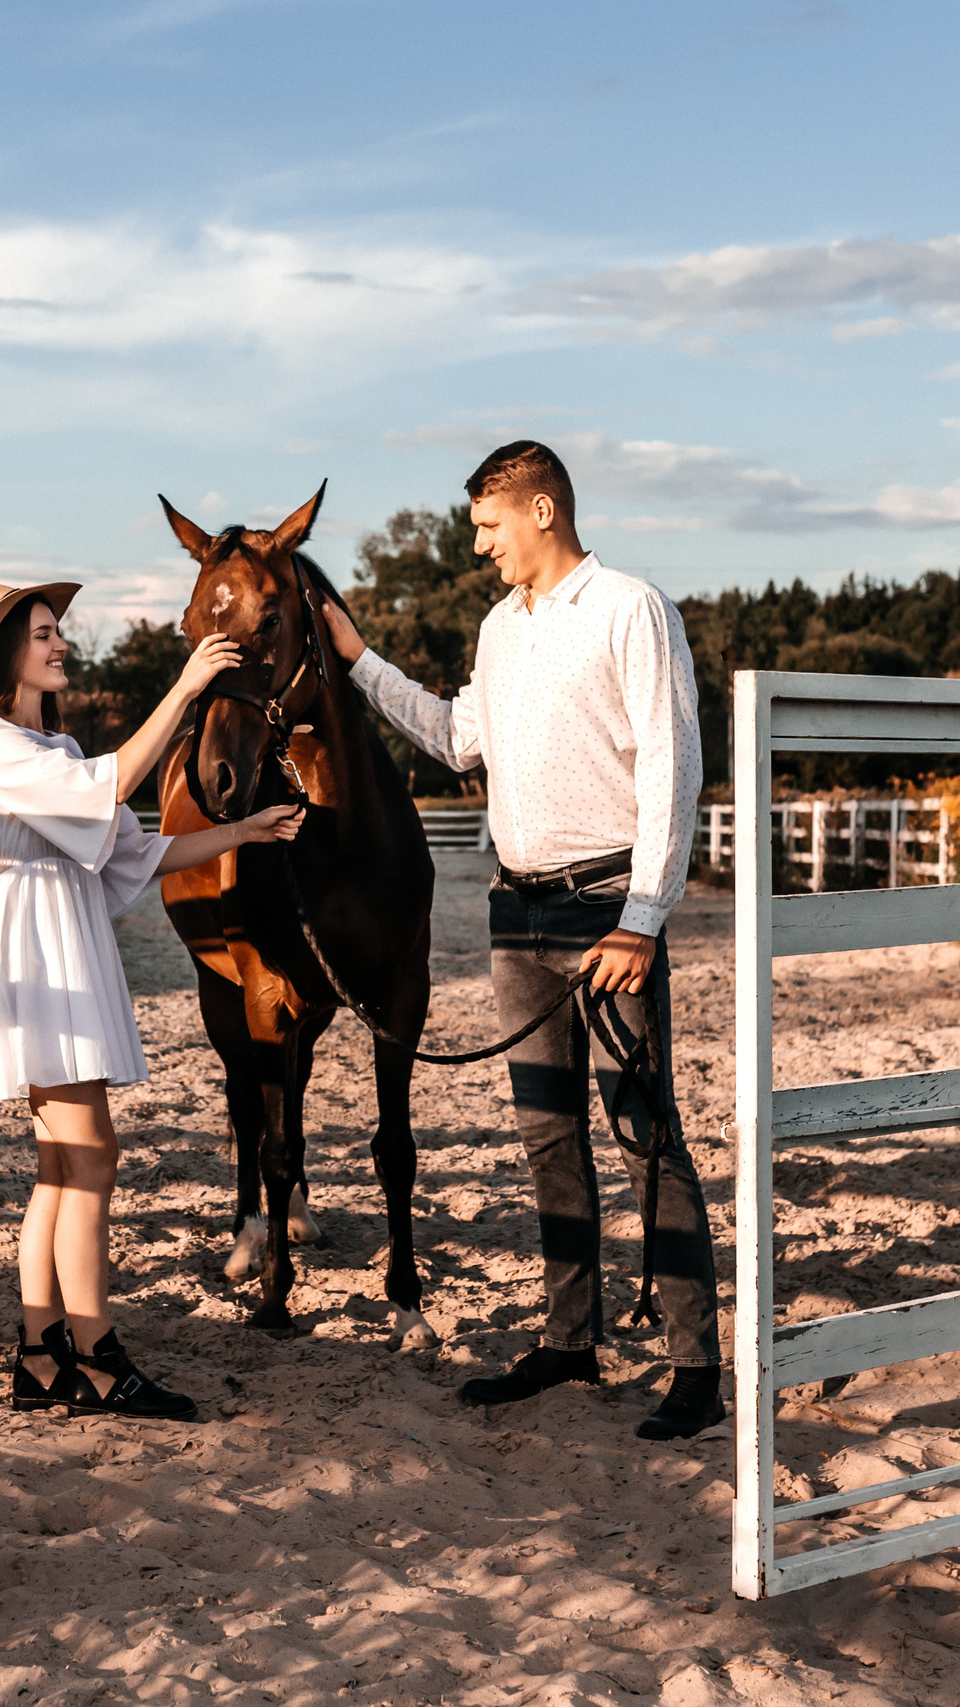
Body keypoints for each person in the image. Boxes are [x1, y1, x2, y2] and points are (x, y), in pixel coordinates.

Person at [317, 441, 724, 1440]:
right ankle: (569, 1339)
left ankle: (694, 1363)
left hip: (604, 912)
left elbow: (674, 764)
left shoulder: (633, 609)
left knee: (642, 1133)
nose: (481, 548)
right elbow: (459, 740)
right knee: (547, 1137)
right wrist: (360, 664)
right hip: (517, 914)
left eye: (489, 527)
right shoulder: (500, 629)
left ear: (541, 511)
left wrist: (643, 915)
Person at [0, 581, 303, 1421]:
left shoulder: (55, 748)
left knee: (61, 1166)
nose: (60, 643)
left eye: (56, 631)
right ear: (6, 654)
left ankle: (41, 1355)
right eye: (43, 633)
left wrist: (245, 832)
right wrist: (181, 689)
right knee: (90, 1155)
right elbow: (113, 789)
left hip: (58, 934)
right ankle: (99, 1358)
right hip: (40, 945)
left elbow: (139, 853)